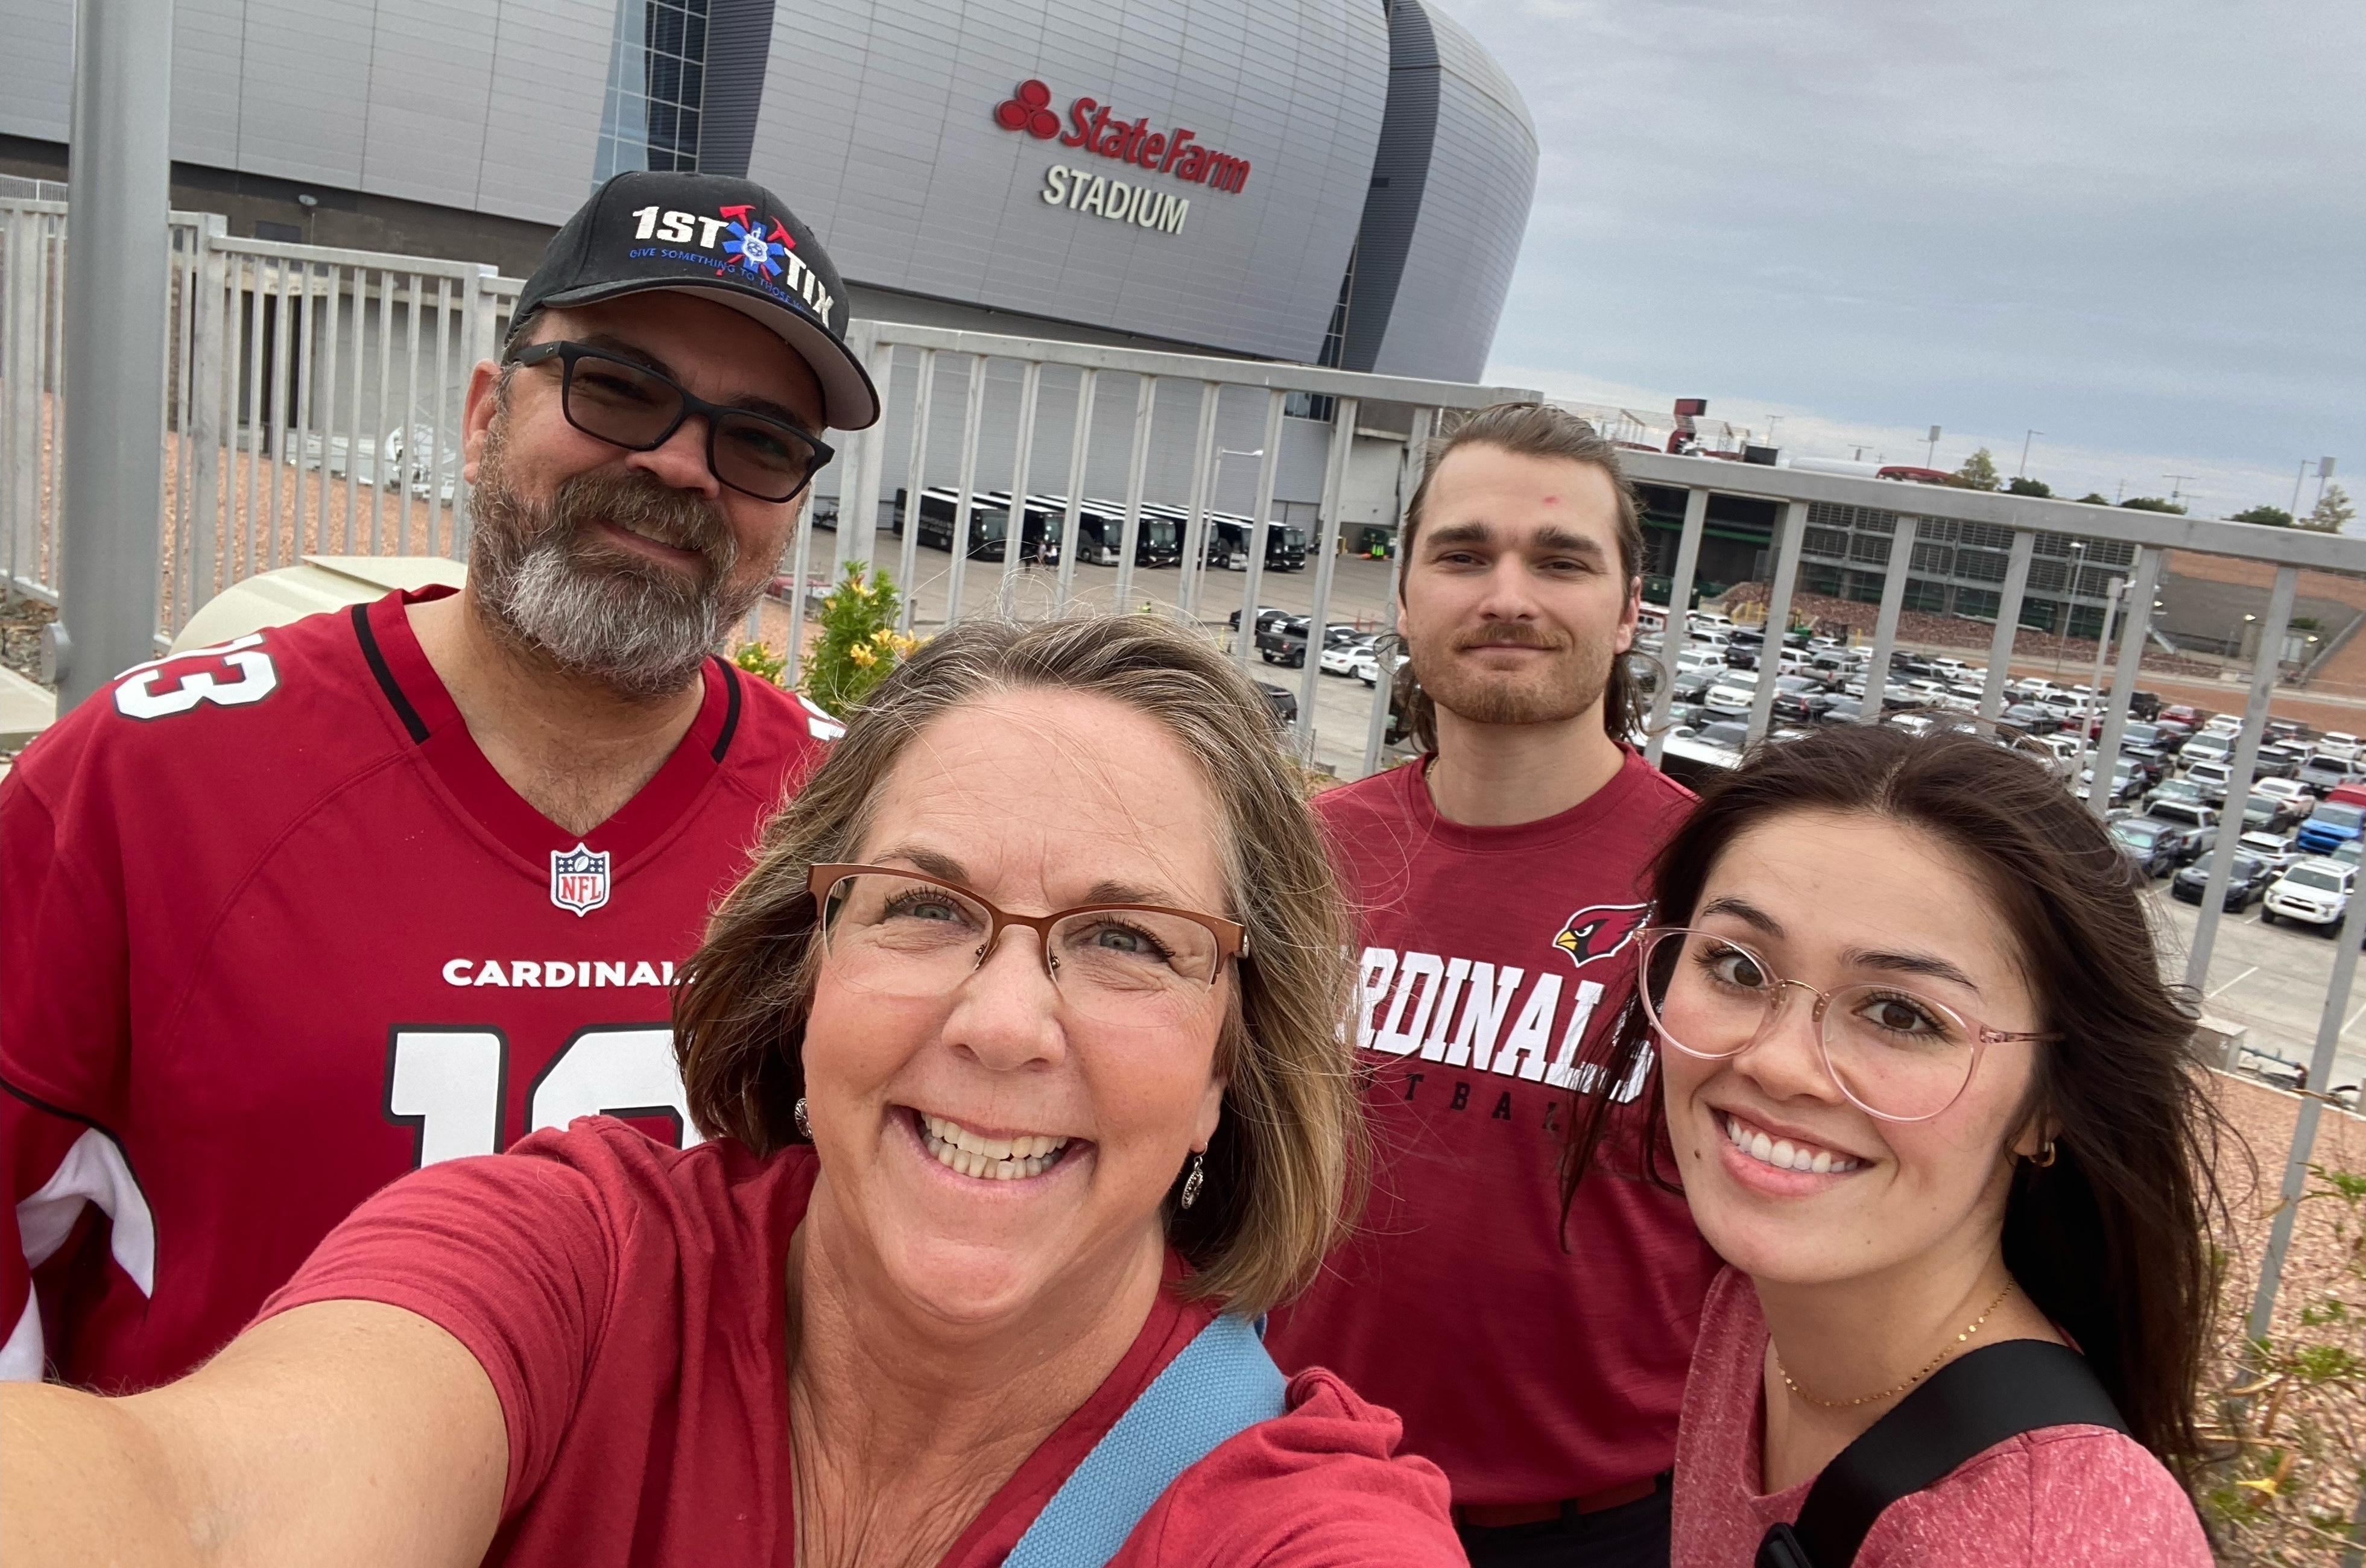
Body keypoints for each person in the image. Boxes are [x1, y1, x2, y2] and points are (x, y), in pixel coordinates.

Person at [0, 615, 1467, 1566]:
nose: (1006, 1022)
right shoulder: (573, 1259)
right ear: (804, 966)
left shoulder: (1294, 1519)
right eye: (924, 906)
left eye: (1129, 939)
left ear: (1231, 1064)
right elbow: (204, 1513)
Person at [0, 169, 876, 1389]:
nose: (685, 466)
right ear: (483, 415)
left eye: (762, 440)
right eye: (618, 386)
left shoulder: (864, 826)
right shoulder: (144, 781)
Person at [1566, 724, 2221, 1565]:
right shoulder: (1758, 1314)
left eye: (1901, 1014)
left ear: (2046, 1108)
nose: (1777, 1062)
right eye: (1735, 967)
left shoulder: (2041, 1538)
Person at [1264, 403, 1715, 1566]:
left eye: (1560, 561)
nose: (1507, 594)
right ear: (1405, 598)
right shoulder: (1304, 858)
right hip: (1298, 1479)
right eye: (1464, 555)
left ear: (1626, 615)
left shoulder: (1720, 892)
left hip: (1602, 1525)